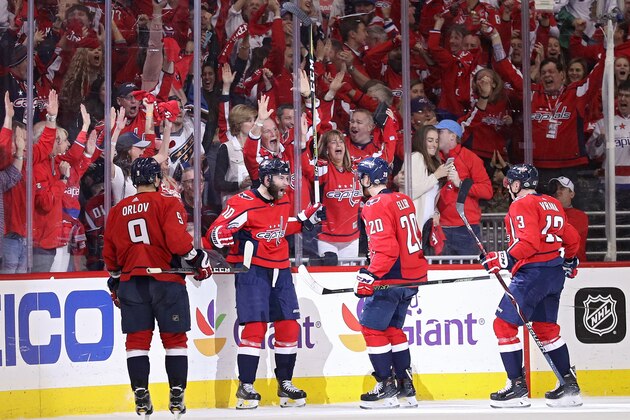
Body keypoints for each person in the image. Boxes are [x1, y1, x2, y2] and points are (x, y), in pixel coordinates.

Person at [206, 158, 325, 410]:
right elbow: (214, 232)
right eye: (281, 178)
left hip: (281, 270)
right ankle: (246, 386)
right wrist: (221, 235)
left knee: (289, 326)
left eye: (287, 178)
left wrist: (304, 220)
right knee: (255, 328)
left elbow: (280, 227)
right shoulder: (242, 202)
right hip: (252, 271)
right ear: (267, 179)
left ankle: (285, 384)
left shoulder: (282, 200)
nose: (286, 183)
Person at [103, 157, 212, 418]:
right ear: (156, 180)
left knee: (137, 341)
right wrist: (199, 261)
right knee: (174, 340)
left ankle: (140, 392)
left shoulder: (117, 211)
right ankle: (176, 393)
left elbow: (111, 258)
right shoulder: (168, 203)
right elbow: (178, 243)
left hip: (132, 284)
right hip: (166, 281)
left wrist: (117, 279)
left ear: (133, 180)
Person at [479, 164, 582, 408]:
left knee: (503, 325)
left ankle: (516, 387)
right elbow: (572, 237)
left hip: (532, 275)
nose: (509, 188)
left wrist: (503, 258)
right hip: (554, 274)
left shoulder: (521, 204)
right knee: (547, 330)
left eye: (510, 183)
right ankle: (568, 386)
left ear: (516, 184)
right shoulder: (551, 202)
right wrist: (569, 260)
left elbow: (529, 242)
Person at [354, 156, 428, 409]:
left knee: (372, 329)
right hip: (411, 278)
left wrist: (370, 275)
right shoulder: (402, 199)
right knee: (392, 330)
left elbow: (386, 248)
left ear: (367, 179)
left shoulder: (374, 204)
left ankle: (386, 386)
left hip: (391, 278)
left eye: (361, 176)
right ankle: (406, 388)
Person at [434, 119, 493, 256]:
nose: (436, 136)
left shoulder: (470, 158)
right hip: (441, 228)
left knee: (470, 272)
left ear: (453, 136)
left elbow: (487, 191)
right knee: (440, 274)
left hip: (466, 228)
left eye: (440, 132)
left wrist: (460, 184)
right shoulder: (434, 159)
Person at [549, 176, 589, 261]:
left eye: (562, 188)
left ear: (572, 194)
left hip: (578, 266)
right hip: (552, 265)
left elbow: (562, 236)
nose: (557, 191)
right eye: (555, 188)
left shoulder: (580, 216)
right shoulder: (546, 213)